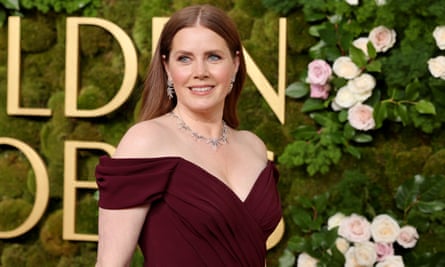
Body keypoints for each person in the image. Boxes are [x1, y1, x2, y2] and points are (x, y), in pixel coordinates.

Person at [95, 4, 282, 267]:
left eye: (214, 57)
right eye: (184, 58)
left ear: (236, 63)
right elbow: (110, 264)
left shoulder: (254, 146)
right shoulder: (146, 140)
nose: (200, 71)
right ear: (168, 68)